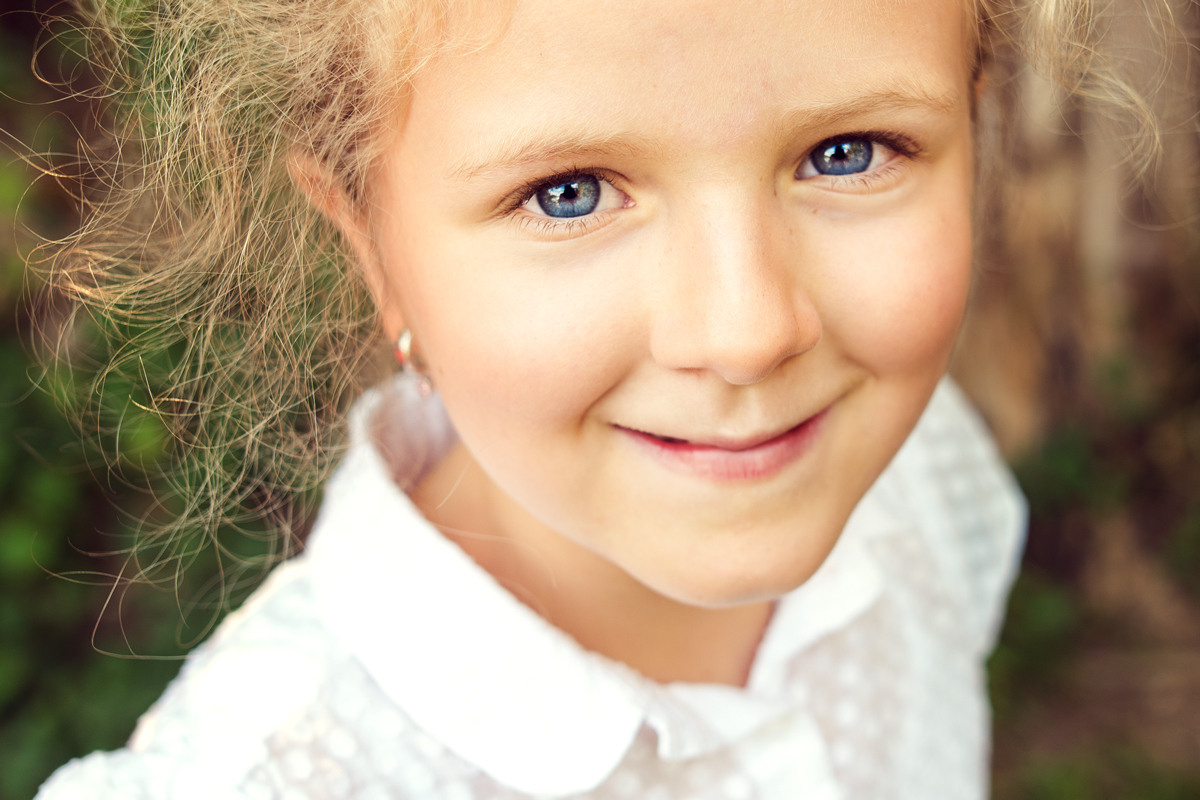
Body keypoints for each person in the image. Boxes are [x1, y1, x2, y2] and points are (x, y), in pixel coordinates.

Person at [30, 0, 1168, 796]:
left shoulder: (918, 486)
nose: (748, 332)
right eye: (568, 193)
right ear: (372, 248)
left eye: (849, 151)